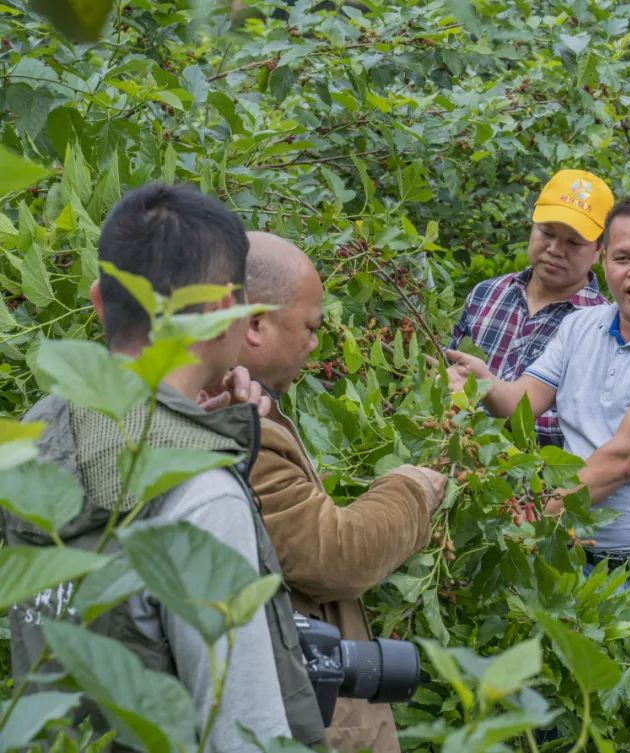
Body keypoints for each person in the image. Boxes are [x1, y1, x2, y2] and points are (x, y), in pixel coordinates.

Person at [4, 184, 326, 750]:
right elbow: (243, 733)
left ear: (100, 300)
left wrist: (203, 429)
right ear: (227, 311)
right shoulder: (200, 495)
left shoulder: (34, 437)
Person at [447, 194, 630, 625]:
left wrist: (524, 522)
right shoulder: (581, 326)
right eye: (623, 257)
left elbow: (618, 462)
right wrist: (483, 385)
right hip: (584, 564)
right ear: (604, 262)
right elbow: (522, 402)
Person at [238, 231, 447, 753]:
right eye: (308, 327)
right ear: (256, 323)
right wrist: (411, 488)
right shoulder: (235, 426)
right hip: (300, 718)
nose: (315, 343)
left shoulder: (246, 411)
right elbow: (333, 555)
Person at [448, 169, 613, 447]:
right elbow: (447, 373)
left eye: (574, 242)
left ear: (599, 250)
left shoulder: (603, 327)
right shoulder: (486, 294)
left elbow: (584, 429)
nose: (555, 249)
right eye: (546, 232)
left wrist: (485, 400)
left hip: (537, 479)